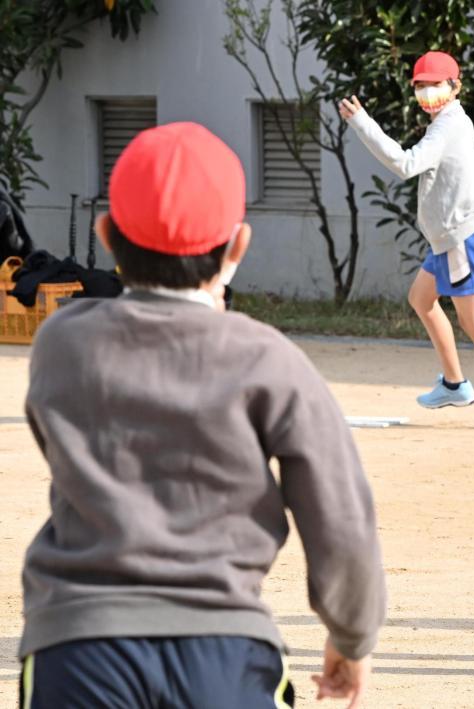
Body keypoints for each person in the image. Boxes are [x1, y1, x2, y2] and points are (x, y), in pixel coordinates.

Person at [17, 122, 386, 708]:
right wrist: (351, 634)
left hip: (78, 645)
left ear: (107, 236)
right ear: (238, 246)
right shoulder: (266, 357)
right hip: (224, 648)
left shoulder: (63, 341)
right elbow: (341, 514)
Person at [338, 50, 474, 430]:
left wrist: (362, 123)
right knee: (421, 299)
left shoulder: (447, 127)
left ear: (455, 86)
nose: (427, 92)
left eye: (435, 84)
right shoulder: (454, 121)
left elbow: (406, 165)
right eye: (420, 86)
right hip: (455, 235)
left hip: (459, 237)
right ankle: (455, 384)